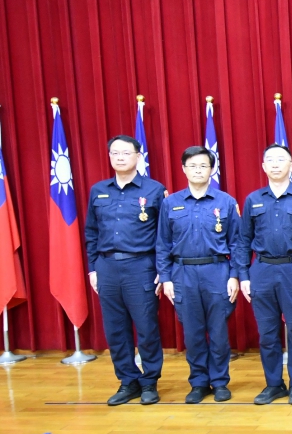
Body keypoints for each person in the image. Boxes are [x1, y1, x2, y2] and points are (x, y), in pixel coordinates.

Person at [236, 144, 292, 405]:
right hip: (261, 270)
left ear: (291, 166)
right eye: (270, 160)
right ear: (263, 166)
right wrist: (244, 276)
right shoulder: (253, 199)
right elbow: (243, 241)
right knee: (267, 333)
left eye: (281, 160)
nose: (275, 164)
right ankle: (274, 384)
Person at [85, 135, 167, 406]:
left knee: (146, 327)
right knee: (115, 329)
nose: (120, 157)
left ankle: (150, 382)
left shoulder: (155, 190)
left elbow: (164, 235)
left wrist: (161, 269)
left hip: (141, 266)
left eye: (126, 153)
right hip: (106, 266)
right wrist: (93, 268)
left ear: (138, 157)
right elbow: (91, 232)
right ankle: (127, 381)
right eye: (115, 153)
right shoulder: (98, 190)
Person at [157, 146, 240, 404]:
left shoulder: (226, 202)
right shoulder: (170, 203)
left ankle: (220, 381)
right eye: (192, 165)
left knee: (218, 333)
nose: (198, 170)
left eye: (203, 165)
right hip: (183, 273)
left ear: (212, 169)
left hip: (217, 271)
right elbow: (162, 243)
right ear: (183, 169)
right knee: (192, 333)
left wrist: (234, 276)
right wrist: (166, 278)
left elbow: (237, 243)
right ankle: (198, 383)